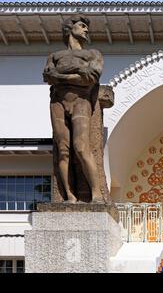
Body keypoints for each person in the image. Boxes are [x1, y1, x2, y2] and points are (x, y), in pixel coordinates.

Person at [43, 14, 104, 203]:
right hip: (58, 102)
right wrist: (77, 72)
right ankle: (68, 195)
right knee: (63, 149)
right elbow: (48, 77)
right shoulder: (55, 56)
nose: (86, 29)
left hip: (81, 101)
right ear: (70, 29)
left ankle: (96, 193)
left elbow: (89, 78)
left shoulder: (93, 54)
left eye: (86, 26)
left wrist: (61, 75)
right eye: (82, 25)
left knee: (81, 147)